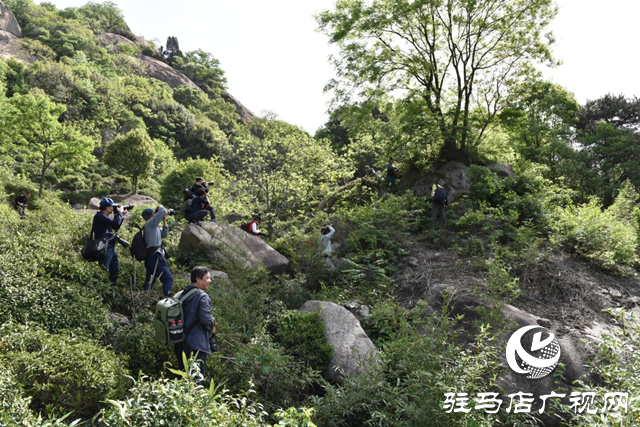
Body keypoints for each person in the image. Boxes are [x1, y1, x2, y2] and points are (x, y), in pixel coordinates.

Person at [174, 266, 216, 385]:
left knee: (184, 378)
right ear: (198, 279)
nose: (210, 280)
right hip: (196, 345)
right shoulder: (202, 296)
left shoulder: (183, 294)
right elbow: (206, 320)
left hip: (180, 342)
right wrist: (212, 323)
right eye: (207, 278)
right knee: (196, 380)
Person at [92, 197, 126, 284]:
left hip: (109, 245)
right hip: (105, 246)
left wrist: (120, 214)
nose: (113, 208)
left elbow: (115, 227)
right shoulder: (100, 216)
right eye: (112, 207)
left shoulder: (104, 217)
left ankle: (112, 287)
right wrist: (119, 213)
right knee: (104, 269)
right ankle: (100, 288)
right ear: (107, 208)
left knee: (116, 268)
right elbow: (115, 223)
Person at [142, 205, 174, 296]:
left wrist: (164, 220)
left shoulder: (152, 227)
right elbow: (163, 210)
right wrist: (158, 207)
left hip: (151, 257)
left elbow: (164, 234)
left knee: (150, 282)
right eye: (154, 213)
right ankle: (167, 302)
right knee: (168, 279)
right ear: (152, 215)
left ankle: (144, 301)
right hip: (155, 257)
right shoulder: (150, 224)